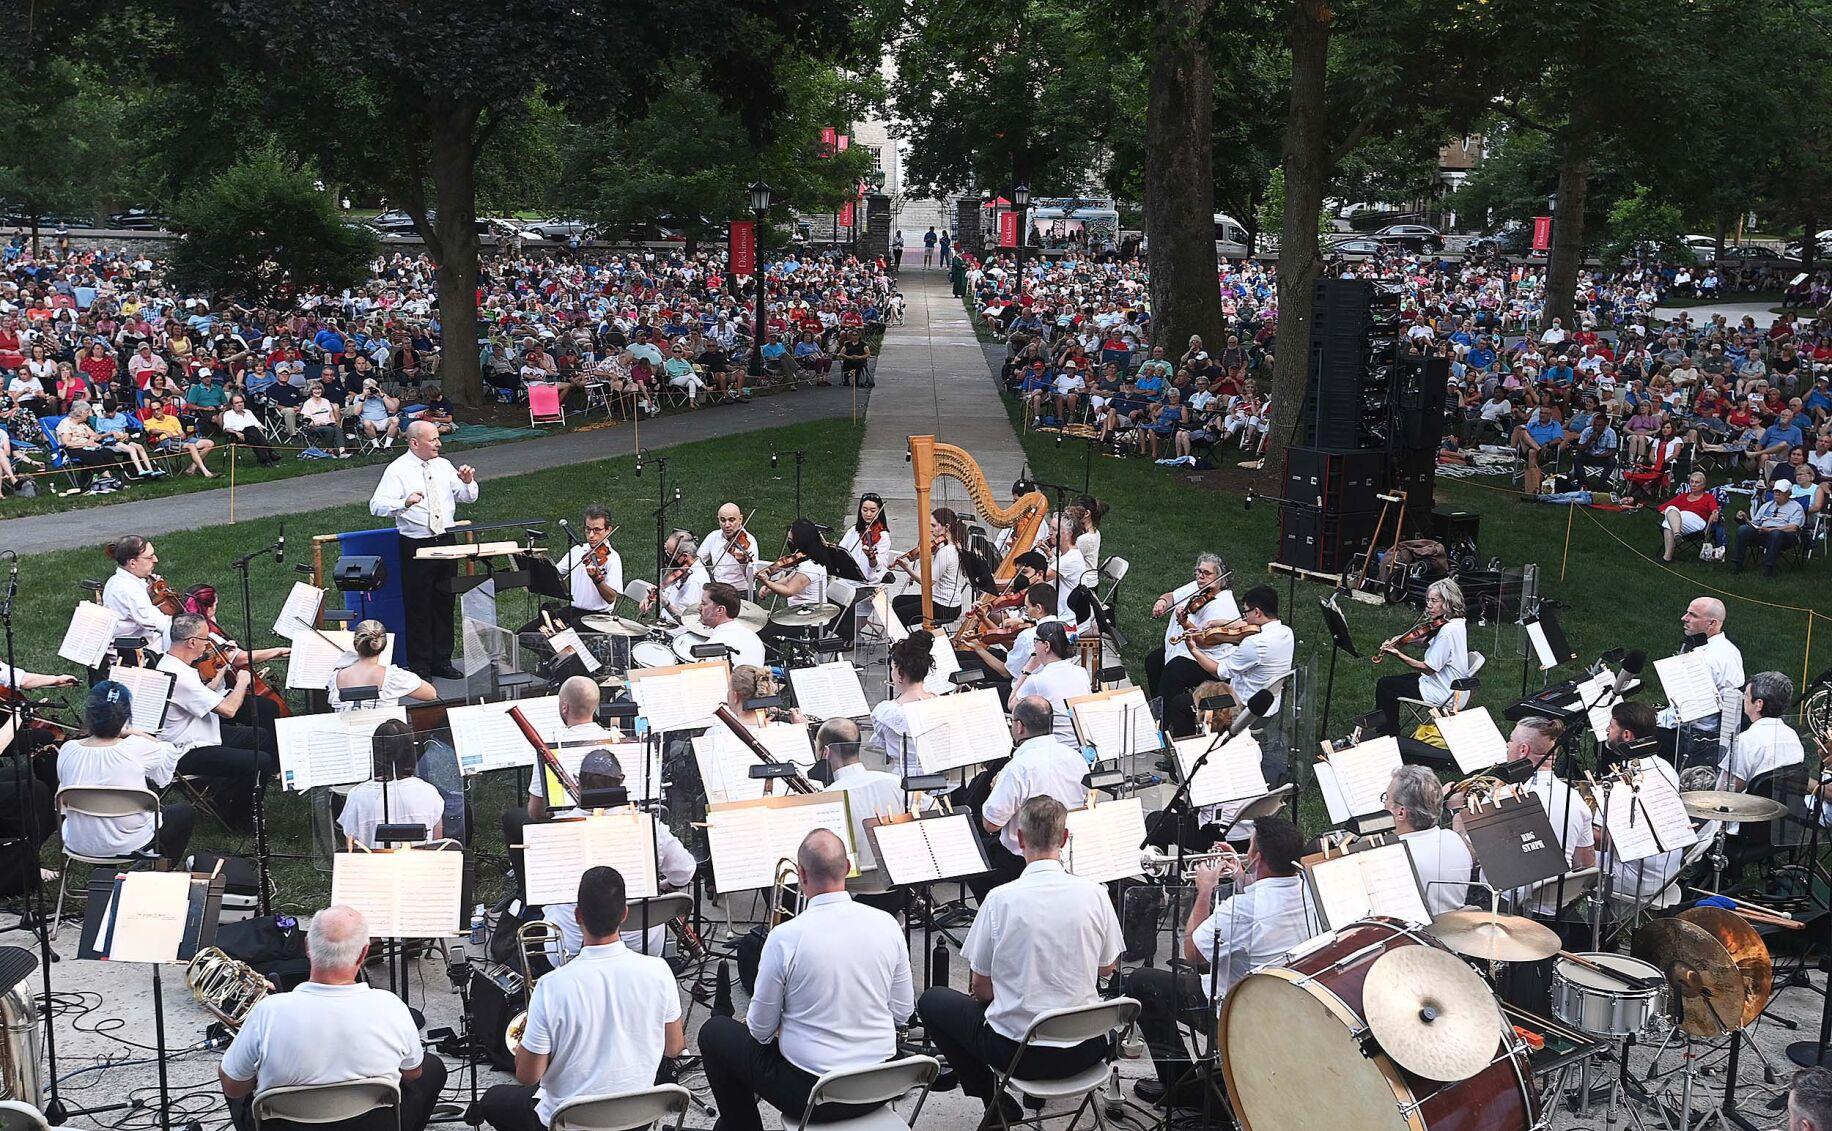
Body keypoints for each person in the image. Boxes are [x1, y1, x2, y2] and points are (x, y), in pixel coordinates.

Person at [918, 797, 1122, 1127]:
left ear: (1021, 839)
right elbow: (1107, 968)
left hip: (1020, 1056)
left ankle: (993, 1101)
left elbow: (981, 990)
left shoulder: (1000, 900)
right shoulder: (1096, 894)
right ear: (1065, 838)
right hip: (1087, 1050)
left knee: (932, 1002)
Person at [700, 829, 912, 1131]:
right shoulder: (888, 924)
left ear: (801, 874)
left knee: (714, 1032)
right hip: (881, 1085)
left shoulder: (785, 937)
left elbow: (760, 1031)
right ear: (849, 867)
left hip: (813, 1096)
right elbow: (903, 1012)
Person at [1125, 818, 1315, 1109]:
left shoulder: (1243, 911)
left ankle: (1181, 1088)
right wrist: (1242, 875)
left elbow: (1193, 953)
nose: (1244, 854)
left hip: (1235, 1012)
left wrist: (1205, 891)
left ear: (1258, 858)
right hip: (1282, 1003)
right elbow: (1266, 895)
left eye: (1248, 849)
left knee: (1141, 981)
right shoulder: (1308, 889)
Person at [478, 867, 684, 1131]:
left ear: (577, 917)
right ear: (624, 914)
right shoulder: (659, 971)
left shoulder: (551, 986)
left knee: (492, 1100)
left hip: (567, 1122)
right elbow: (674, 1047)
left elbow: (528, 1075)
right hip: (637, 1120)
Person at [219, 906, 448, 1131]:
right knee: (432, 1067)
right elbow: (413, 1073)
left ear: (307, 946)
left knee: (235, 1068)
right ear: (363, 952)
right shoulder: (391, 1006)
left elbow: (233, 1088)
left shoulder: (267, 1011)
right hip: (372, 1125)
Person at [540, 748, 698, 959]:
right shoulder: (649, 826)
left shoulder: (554, 830)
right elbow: (684, 871)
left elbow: (543, 891)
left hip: (569, 948)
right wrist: (660, 886)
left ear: (578, 783)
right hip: (641, 946)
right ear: (621, 782)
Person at [368, 420, 478, 679]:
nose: (438, 443)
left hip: (445, 542)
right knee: (419, 605)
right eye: (433, 439)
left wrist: (468, 482)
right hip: (416, 544)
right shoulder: (397, 470)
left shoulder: (443, 465)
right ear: (414, 443)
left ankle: (443, 660)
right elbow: (376, 506)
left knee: (444, 602)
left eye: (438, 438)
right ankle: (421, 664)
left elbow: (467, 497)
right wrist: (403, 503)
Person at [156, 612, 278, 827]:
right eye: (205, 639)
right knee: (261, 761)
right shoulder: (180, 676)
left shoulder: (172, 663)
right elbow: (229, 710)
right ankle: (239, 819)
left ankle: (226, 795)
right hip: (186, 748)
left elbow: (204, 693)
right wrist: (242, 681)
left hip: (199, 731)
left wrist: (220, 672)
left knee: (260, 736)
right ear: (192, 642)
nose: (208, 644)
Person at [56, 681, 190, 861]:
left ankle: (104, 870)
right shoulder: (137, 748)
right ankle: (161, 871)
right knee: (183, 813)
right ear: (125, 716)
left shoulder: (67, 749)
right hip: (129, 844)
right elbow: (169, 751)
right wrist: (133, 732)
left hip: (80, 842)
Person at [976, 696, 1089, 897]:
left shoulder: (1017, 768)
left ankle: (997, 909)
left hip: (1022, 859)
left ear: (1020, 727)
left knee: (973, 851)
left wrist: (995, 789)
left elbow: (991, 824)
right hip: (1067, 849)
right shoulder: (1076, 758)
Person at [1144, 555, 1236, 737]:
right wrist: (1162, 602)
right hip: (1186, 649)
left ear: (1219, 578)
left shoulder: (1222, 605)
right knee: (1153, 661)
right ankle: (1160, 711)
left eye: (1207, 573)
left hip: (1208, 659)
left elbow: (1205, 640)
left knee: (1173, 671)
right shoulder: (1198, 588)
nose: (1201, 576)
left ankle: (1161, 728)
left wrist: (1185, 623)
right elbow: (1171, 596)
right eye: (1198, 571)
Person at [1372, 578, 1472, 738]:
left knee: (1386, 686)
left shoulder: (1447, 632)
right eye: (1428, 600)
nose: (1429, 605)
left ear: (1448, 602)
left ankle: (1388, 734)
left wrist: (1397, 654)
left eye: (1434, 601)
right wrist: (1405, 640)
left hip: (1444, 692)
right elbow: (1429, 642)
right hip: (1453, 686)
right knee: (1390, 683)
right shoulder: (1457, 623)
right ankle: (1389, 730)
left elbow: (1428, 668)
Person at [338, 719, 444, 848]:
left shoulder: (357, 796)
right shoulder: (428, 792)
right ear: (411, 752)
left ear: (375, 753)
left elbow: (352, 847)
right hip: (419, 865)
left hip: (373, 866)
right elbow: (437, 843)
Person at [1384, 765, 1474, 917]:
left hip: (1414, 937)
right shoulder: (1455, 839)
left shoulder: (1394, 857)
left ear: (1401, 812)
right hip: (1457, 929)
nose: (1384, 805)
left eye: (1386, 799)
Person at [868, 634, 937, 779]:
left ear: (900, 674)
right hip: (941, 778)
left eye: (892, 668)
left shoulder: (886, 712)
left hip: (903, 780)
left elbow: (883, 745)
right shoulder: (940, 702)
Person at [890, 508, 973, 629]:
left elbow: (927, 583)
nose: (930, 529)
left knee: (899, 614)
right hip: (942, 600)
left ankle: (906, 644)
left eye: (934, 525)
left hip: (945, 607)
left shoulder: (946, 551)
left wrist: (907, 568)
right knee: (898, 601)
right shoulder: (954, 545)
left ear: (947, 527)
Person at [1009, 623, 1091, 744]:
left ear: (1046, 646)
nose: (1034, 647)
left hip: (1058, 745)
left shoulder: (1037, 680)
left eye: (1036, 641)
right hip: (1083, 742)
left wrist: (1027, 669)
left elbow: (1011, 705)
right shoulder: (1082, 672)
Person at [328, 619, 437, 710]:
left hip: (346, 734)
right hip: (384, 734)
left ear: (355, 645)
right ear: (383, 646)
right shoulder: (394, 677)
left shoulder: (336, 676)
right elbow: (431, 694)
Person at [1723, 671, 1804, 791]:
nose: (1743, 699)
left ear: (1758, 704)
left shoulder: (1745, 741)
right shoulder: (1793, 736)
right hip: (1783, 808)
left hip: (1751, 808)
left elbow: (1726, 791)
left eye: (1746, 695)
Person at [101, 535, 172, 651]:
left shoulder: (116, 580)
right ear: (133, 563)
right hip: (135, 652)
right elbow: (162, 624)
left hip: (133, 642)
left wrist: (149, 594)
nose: (155, 560)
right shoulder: (129, 590)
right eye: (149, 557)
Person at [557, 504, 625, 620]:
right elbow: (555, 572)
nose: (591, 535)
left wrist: (597, 579)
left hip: (597, 616)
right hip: (572, 611)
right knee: (526, 631)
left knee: (562, 637)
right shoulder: (578, 550)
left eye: (597, 530)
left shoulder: (613, 558)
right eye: (588, 529)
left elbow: (611, 598)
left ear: (608, 530)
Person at [1730, 480, 1806, 575]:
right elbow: (1755, 524)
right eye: (1775, 491)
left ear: (1789, 493)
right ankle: (1737, 564)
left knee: (1776, 534)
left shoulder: (1796, 507)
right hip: (1763, 533)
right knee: (1743, 529)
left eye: (1780, 492)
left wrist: (1769, 530)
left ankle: (1768, 567)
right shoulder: (1767, 505)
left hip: (1785, 536)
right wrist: (1744, 518)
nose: (1777, 494)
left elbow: (1794, 528)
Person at [697, 582, 765, 669]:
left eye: (704, 604)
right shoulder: (754, 638)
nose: (699, 608)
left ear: (720, 610)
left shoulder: (714, 645)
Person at [1658, 471, 1723, 562]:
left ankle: (1670, 550)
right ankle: (1668, 554)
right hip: (1680, 521)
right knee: (1670, 511)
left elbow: (1714, 511)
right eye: (1691, 482)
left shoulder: (1708, 497)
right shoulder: (1684, 496)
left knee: (1667, 522)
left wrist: (1714, 514)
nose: (1693, 485)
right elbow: (1663, 507)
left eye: (1697, 482)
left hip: (1697, 523)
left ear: (1703, 485)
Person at [699, 503, 758, 590]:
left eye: (731, 520)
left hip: (740, 591)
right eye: (723, 520)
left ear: (740, 519)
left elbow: (751, 579)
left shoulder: (749, 541)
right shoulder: (713, 536)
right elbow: (699, 559)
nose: (727, 525)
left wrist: (743, 563)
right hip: (717, 587)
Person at [220, 392, 281, 467]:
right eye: (237, 403)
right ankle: (270, 450)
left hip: (253, 435)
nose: (240, 404)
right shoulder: (228, 414)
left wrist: (260, 429)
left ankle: (266, 461)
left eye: (241, 402)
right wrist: (237, 433)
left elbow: (258, 424)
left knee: (253, 437)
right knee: (252, 429)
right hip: (238, 436)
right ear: (232, 405)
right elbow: (226, 428)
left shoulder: (248, 412)